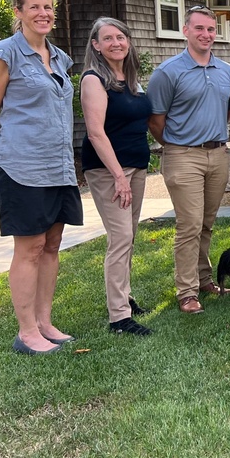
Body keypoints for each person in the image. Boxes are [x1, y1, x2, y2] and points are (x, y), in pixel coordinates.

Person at [0, 0, 82, 354]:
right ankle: (26, 331)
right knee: (29, 247)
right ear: (18, 11)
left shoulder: (60, 57)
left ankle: (45, 322)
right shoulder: (4, 54)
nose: (43, 13)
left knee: (51, 245)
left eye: (48, 7)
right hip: (22, 166)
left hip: (59, 165)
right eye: (34, 7)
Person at [149, 6, 230, 314]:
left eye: (211, 29)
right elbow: (156, 119)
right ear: (185, 30)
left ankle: (204, 280)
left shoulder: (226, 71)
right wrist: (175, 146)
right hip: (183, 155)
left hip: (218, 153)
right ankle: (186, 292)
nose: (206, 35)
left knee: (207, 223)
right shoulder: (168, 72)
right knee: (189, 225)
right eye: (199, 28)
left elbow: (227, 111)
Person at [80, 17, 154, 335]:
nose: (116, 43)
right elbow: (96, 133)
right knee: (121, 238)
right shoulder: (93, 79)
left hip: (136, 166)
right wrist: (118, 177)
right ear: (96, 45)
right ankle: (119, 318)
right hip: (110, 170)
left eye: (121, 37)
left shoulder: (129, 78)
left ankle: (124, 297)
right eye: (108, 38)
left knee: (128, 236)